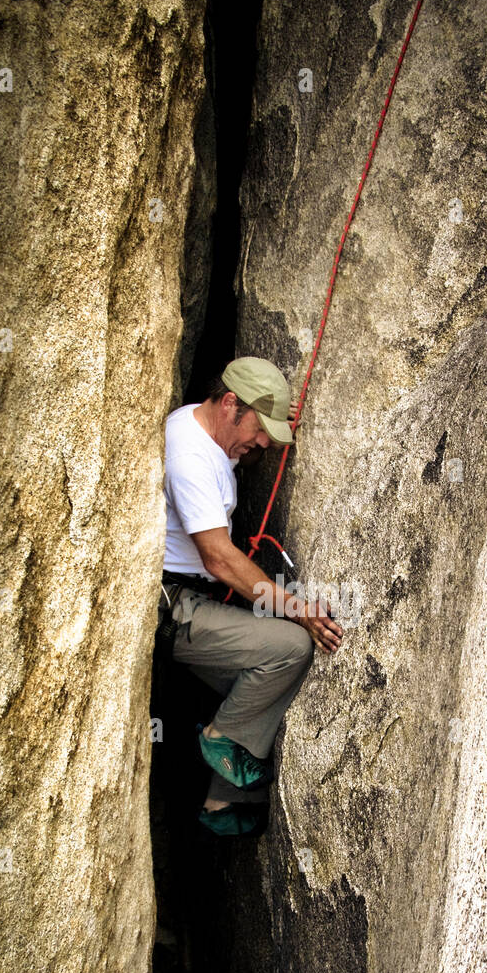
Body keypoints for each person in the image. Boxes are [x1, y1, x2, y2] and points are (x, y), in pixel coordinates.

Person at [158, 356, 344, 836]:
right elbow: (218, 557)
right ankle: (222, 740)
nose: (260, 443)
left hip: (197, 603)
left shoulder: (207, 433)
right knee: (291, 649)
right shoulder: (190, 458)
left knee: (265, 695)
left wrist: (270, 427)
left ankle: (224, 802)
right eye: (258, 429)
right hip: (179, 609)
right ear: (229, 404)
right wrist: (298, 610)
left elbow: (243, 450)